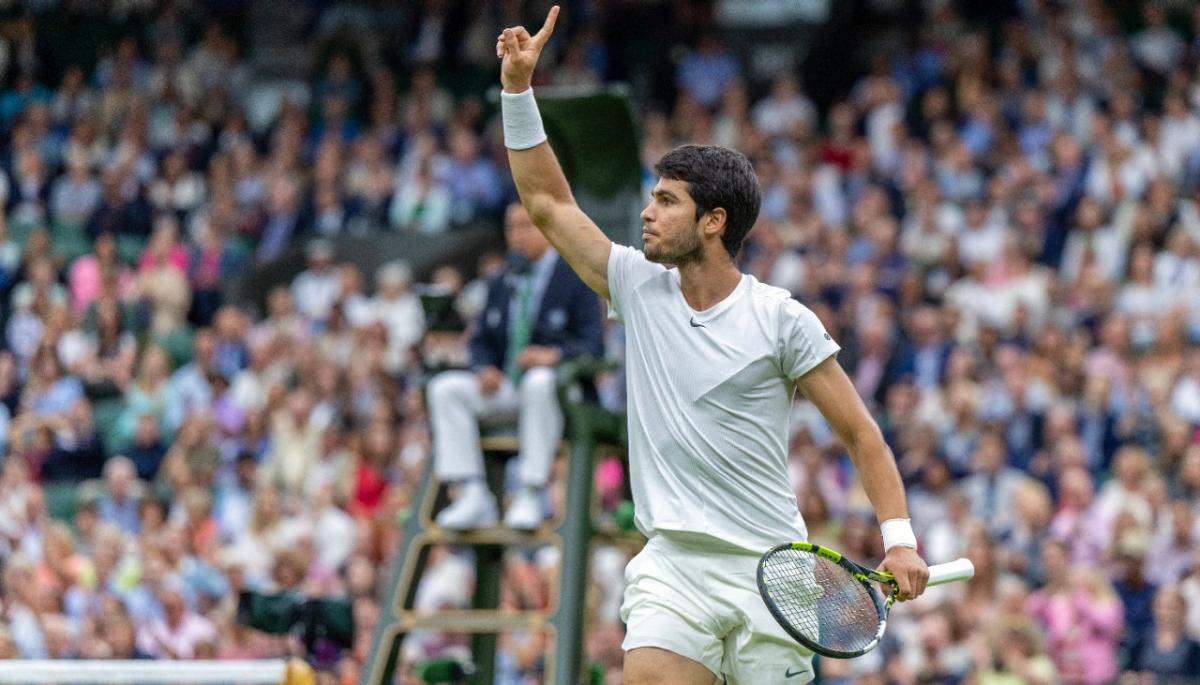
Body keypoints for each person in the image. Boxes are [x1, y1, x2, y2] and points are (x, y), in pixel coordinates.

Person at [494, 7, 930, 683]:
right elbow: (549, 204)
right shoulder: (634, 286)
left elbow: (861, 434)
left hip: (770, 570)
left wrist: (899, 540)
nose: (647, 211)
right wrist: (518, 92)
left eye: (666, 200)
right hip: (673, 565)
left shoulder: (781, 319)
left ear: (713, 221)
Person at [427, 201, 603, 530]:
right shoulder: (501, 280)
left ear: (547, 228)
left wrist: (554, 356)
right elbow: (479, 341)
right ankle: (472, 491)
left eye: (527, 226)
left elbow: (594, 346)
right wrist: (482, 368)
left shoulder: (575, 275)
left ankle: (531, 490)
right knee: (445, 389)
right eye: (512, 227)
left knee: (539, 380)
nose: (518, 236)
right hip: (509, 388)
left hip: (562, 394)